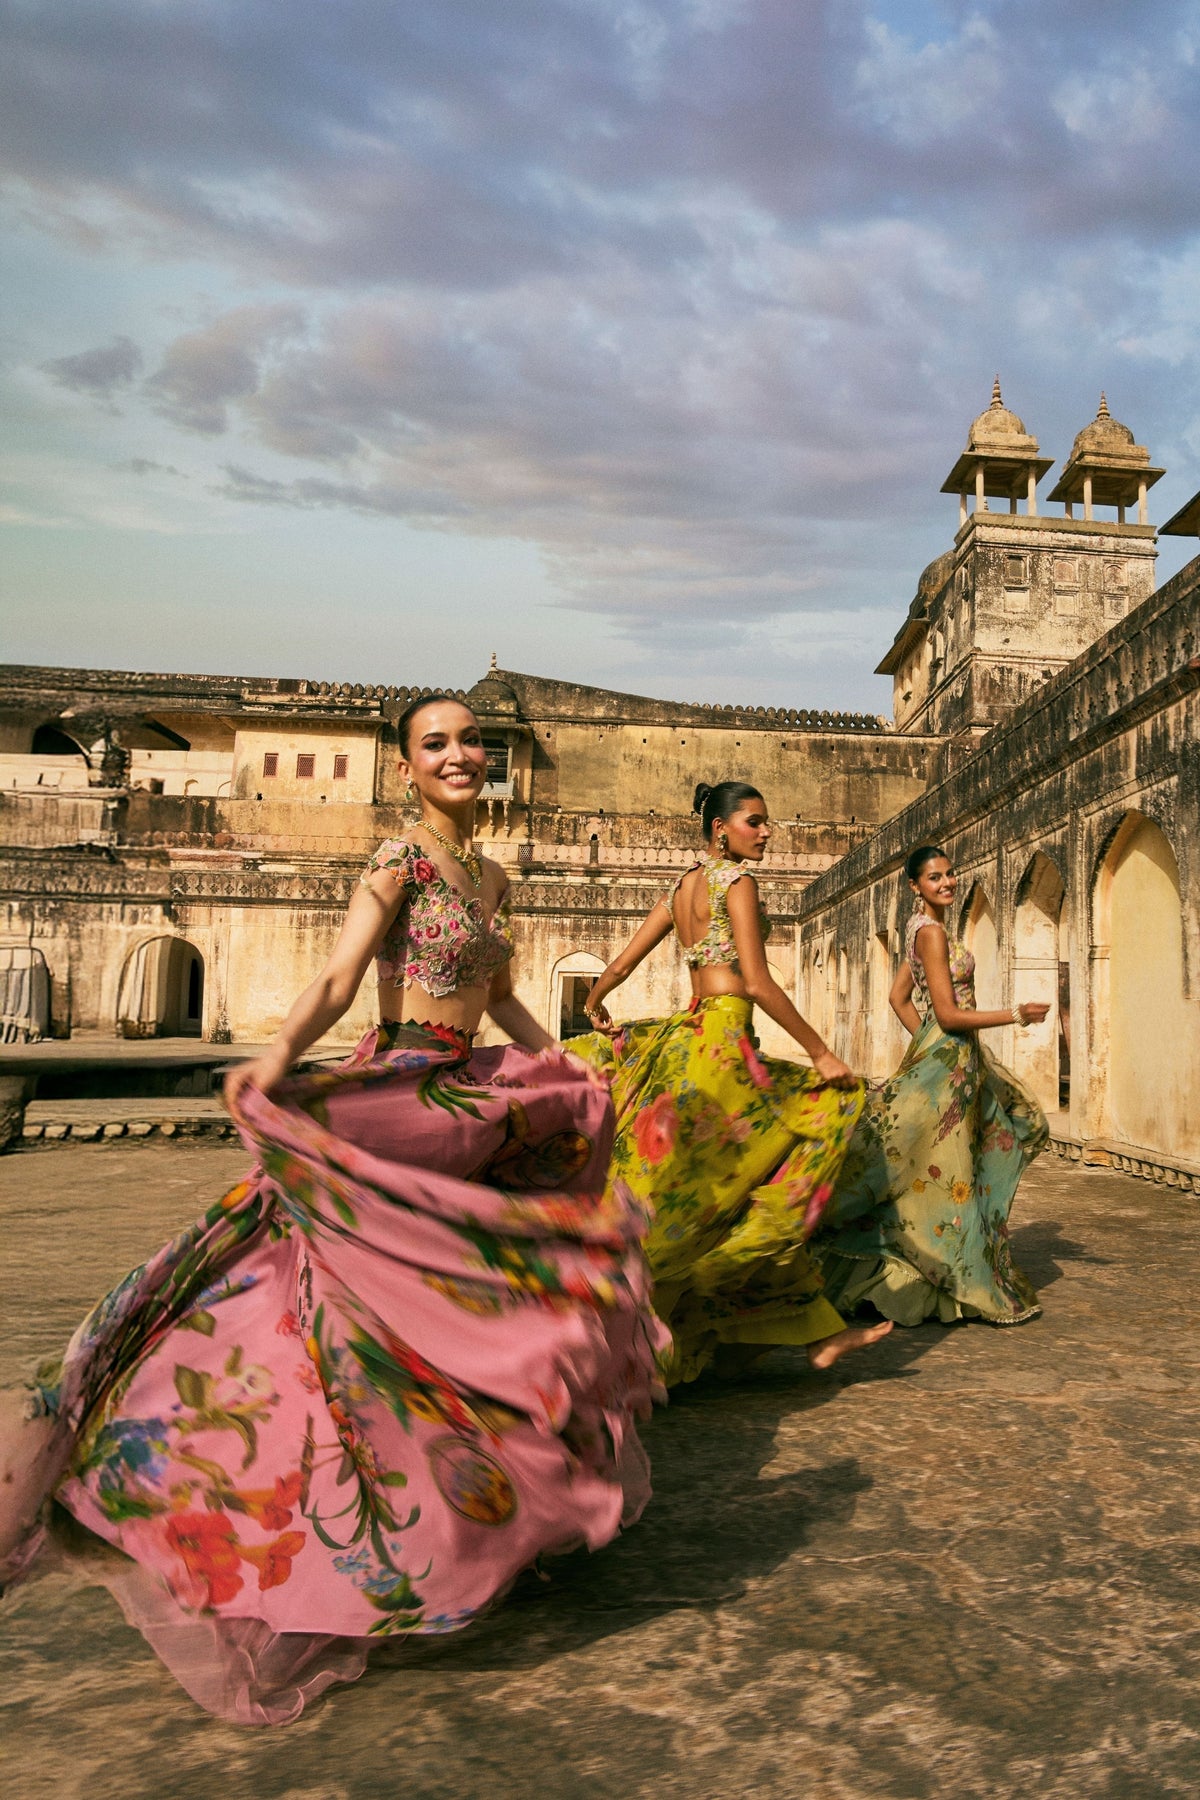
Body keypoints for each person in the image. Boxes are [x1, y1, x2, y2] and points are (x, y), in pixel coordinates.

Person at [0, 695, 663, 1725]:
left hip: (469, 1102)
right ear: (406, 770)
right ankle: (225, 1502)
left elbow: (493, 1004)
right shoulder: (395, 866)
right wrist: (267, 1064)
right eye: (434, 744)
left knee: (470, 1316)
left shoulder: (490, 878)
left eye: (469, 741)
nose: (458, 756)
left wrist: (562, 1058)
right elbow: (343, 976)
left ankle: (478, 1513)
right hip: (396, 1100)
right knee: (316, 1313)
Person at [569, 780, 893, 1386]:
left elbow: (621, 962)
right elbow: (757, 982)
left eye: (767, 822)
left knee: (705, 1191)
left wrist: (594, 997)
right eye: (755, 822)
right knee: (817, 1127)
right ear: (721, 828)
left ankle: (812, 1329)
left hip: (686, 1043)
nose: (767, 832)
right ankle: (780, 1321)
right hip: (724, 1048)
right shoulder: (736, 882)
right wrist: (821, 1052)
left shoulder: (679, 885)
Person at [819, 844, 1050, 1326]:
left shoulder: (918, 929)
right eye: (934, 878)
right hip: (950, 1064)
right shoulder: (932, 933)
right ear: (915, 886)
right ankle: (956, 1278)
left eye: (949, 874)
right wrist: (1015, 1015)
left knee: (991, 1142)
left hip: (952, 1060)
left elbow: (898, 997)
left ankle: (943, 1272)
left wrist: (928, 1043)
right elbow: (946, 1013)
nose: (946, 883)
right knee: (949, 1169)